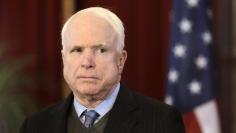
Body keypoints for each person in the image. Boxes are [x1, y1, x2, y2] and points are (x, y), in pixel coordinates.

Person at [20, 7, 185, 133]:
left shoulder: (162, 122)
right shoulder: (35, 126)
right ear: (64, 59)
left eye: (101, 50)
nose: (87, 62)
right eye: (77, 50)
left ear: (121, 60)